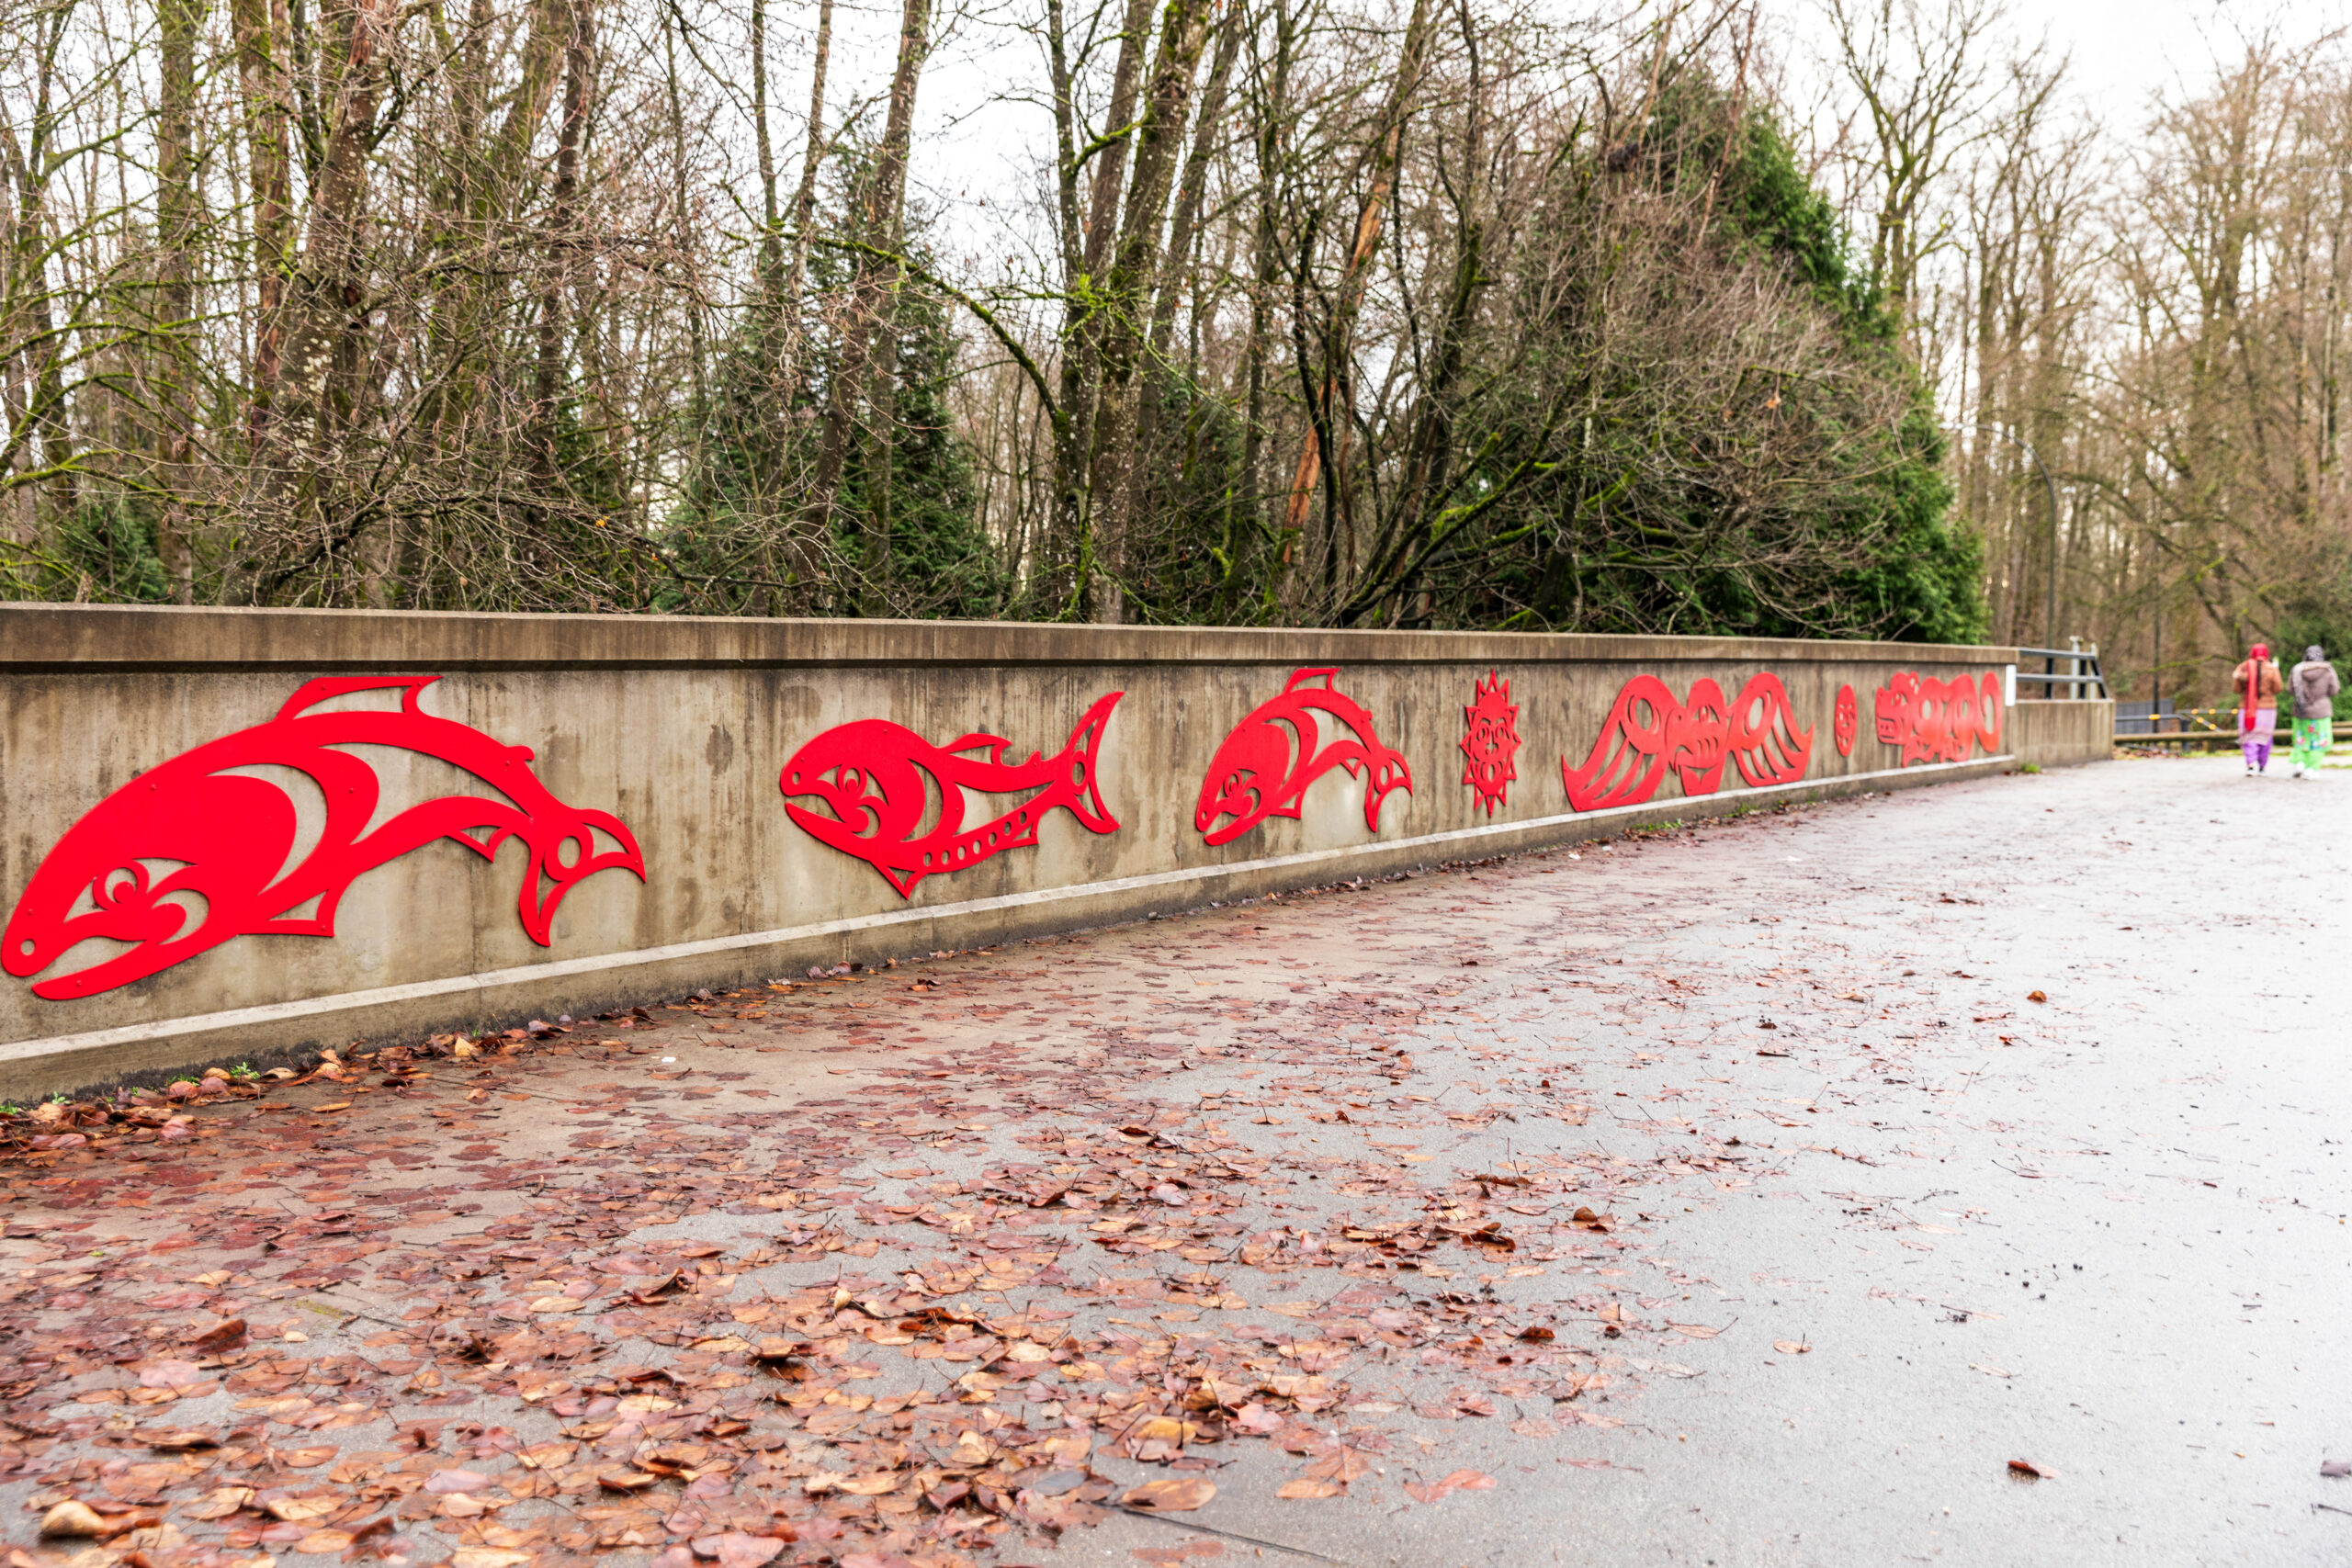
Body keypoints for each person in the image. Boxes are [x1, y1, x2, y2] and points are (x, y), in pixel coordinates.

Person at [2289, 645, 2340, 778]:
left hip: (2300, 711)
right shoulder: (2328, 670)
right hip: (2320, 712)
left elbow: (2290, 689)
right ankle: (2312, 769)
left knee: (2301, 739)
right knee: (2320, 740)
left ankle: (2299, 763)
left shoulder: (2297, 669)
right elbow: (2334, 690)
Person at [2233, 643, 2283, 774]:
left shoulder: (2243, 667)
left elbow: (2236, 689)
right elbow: (2278, 689)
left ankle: (2250, 764)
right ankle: (2262, 766)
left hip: (2247, 707)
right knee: (2264, 737)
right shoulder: (2272, 668)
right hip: (2267, 708)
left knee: (2249, 735)